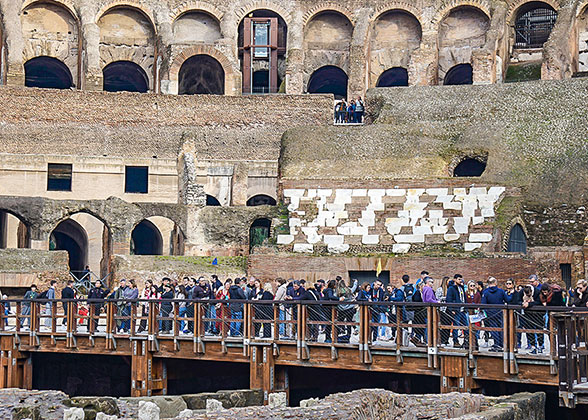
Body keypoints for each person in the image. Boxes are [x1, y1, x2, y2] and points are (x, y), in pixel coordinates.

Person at [481, 277, 509, 352]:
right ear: (495, 283)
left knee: (494, 329)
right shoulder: (501, 291)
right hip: (500, 312)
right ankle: (502, 344)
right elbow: (507, 300)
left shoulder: (485, 292)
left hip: (490, 314)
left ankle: (496, 344)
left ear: (488, 283)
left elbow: (483, 304)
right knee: (501, 328)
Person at [446, 274, 467, 348]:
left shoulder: (461, 287)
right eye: (459, 279)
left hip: (462, 310)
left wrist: (465, 308)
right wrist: (451, 309)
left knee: (466, 326)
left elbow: (464, 298)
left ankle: (466, 341)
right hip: (456, 310)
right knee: (456, 326)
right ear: (455, 279)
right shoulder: (451, 288)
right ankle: (455, 341)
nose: (460, 280)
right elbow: (449, 299)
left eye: (461, 279)